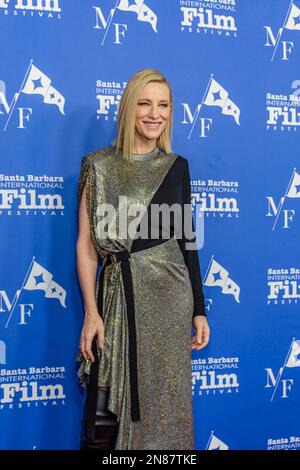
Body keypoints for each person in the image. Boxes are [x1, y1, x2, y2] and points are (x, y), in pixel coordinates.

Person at [75, 68, 210, 450]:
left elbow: (187, 242)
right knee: (104, 414)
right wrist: (91, 311)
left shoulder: (177, 166)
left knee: (166, 407)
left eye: (163, 105)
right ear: (128, 109)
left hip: (170, 304)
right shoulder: (97, 166)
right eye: (145, 104)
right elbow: (87, 245)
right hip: (117, 301)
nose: (155, 114)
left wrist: (198, 308)